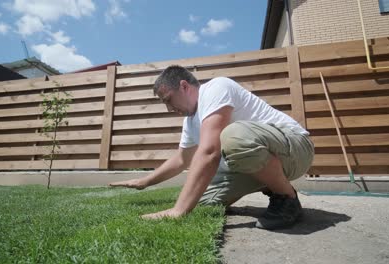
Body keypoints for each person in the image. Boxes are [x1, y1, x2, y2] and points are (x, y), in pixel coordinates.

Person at [109, 65, 314, 230]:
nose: (169, 108)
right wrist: (144, 181)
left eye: (168, 99)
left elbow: (209, 152)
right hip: (260, 160)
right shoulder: (190, 122)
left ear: (184, 86)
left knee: (233, 137)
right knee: (202, 201)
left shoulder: (217, 87)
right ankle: (268, 183)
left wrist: (179, 210)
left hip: (296, 148)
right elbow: (182, 160)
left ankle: (287, 198)